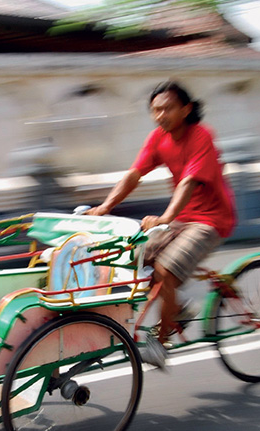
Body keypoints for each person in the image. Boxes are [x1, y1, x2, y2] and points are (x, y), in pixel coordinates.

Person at [87, 81, 236, 369]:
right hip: (181, 218)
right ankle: (177, 308)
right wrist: (105, 207)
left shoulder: (201, 136)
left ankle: (163, 341)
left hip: (211, 220)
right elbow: (134, 174)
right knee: (134, 258)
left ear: (186, 109)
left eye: (167, 109)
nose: (160, 116)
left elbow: (189, 182)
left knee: (165, 271)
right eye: (155, 110)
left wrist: (166, 218)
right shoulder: (158, 138)